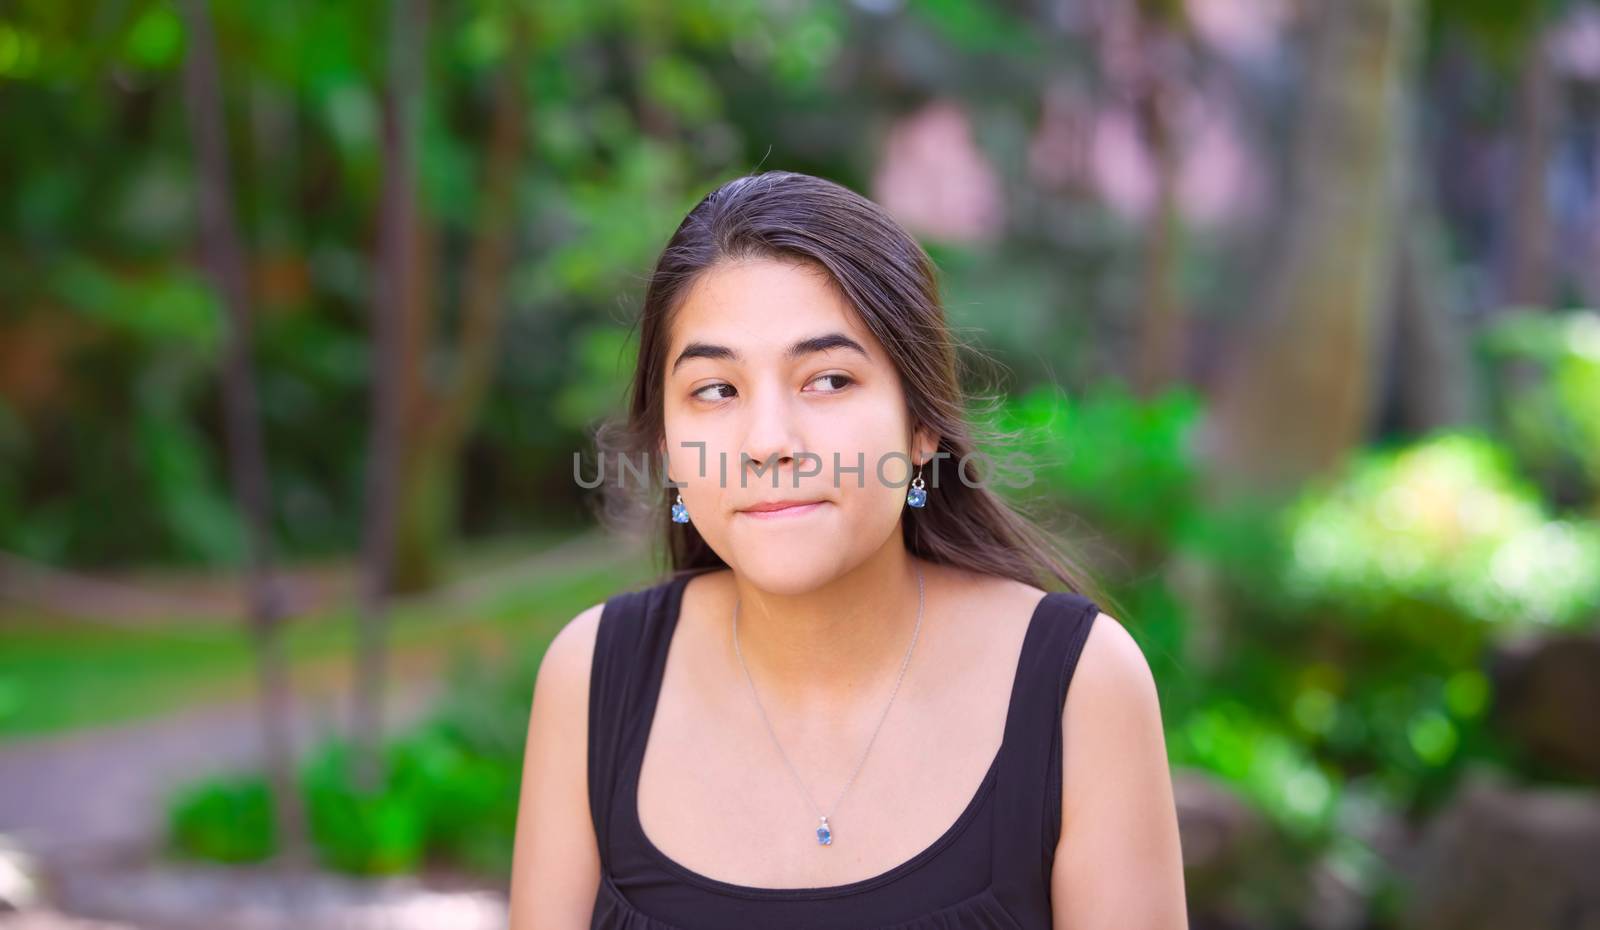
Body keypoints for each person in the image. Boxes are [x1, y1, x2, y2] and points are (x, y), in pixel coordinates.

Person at [509, 170, 1188, 929]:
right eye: (715, 390)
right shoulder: (593, 679)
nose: (769, 443)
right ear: (667, 447)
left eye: (828, 379)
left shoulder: (1079, 687)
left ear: (922, 427)